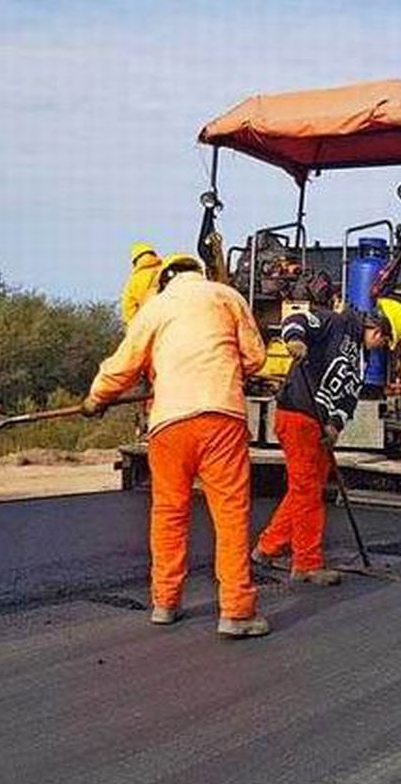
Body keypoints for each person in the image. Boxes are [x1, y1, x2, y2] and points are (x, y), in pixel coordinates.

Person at [82, 254, 270, 639]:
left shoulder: (156, 308)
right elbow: (256, 358)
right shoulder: (227, 296)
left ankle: (165, 602)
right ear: (198, 274)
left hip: (169, 423)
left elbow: (124, 364)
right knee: (230, 514)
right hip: (221, 417)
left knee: (169, 512)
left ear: (165, 280)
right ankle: (236, 611)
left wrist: (96, 398)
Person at [253, 297, 401, 585]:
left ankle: (268, 547)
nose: (380, 346)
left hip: (318, 423)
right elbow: (297, 321)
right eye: (384, 340)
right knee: (307, 492)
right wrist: (295, 341)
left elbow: (347, 398)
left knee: (309, 486)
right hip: (298, 413)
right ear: (378, 330)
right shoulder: (335, 323)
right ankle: (307, 563)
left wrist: (334, 425)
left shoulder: (361, 360)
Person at [119, 242, 163, 326]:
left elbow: (128, 312)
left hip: (146, 324)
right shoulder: (165, 271)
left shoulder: (132, 282)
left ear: (135, 260)